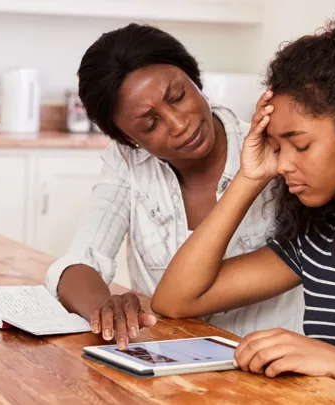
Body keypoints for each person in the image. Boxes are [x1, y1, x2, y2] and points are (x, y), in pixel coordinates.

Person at [151, 11, 335, 404]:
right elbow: (175, 300)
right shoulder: (316, 242)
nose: (282, 165)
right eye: (277, 148)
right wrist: (250, 177)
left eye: (300, 145)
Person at [45, 23, 304, 349]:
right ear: (130, 138)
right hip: (168, 367)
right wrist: (105, 309)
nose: (180, 124)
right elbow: (80, 260)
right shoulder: (128, 162)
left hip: (266, 372)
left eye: (178, 96)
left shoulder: (271, 151)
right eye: (151, 123)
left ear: (196, 81)